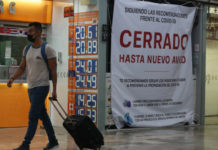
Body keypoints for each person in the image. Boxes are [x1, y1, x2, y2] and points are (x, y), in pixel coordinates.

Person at [7, 22, 59, 150]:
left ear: (39, 32)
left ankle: (26, 143)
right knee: (43, 115)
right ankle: (53, 141)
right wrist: (13, 78)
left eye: (30, 31)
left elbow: (53, 71)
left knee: (33, 115)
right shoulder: (27, 49)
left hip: (42, 86)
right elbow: (22, 67)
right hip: (31, 87)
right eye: (28, 31)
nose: (28, 33)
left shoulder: (48, 49)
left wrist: (55, 90)